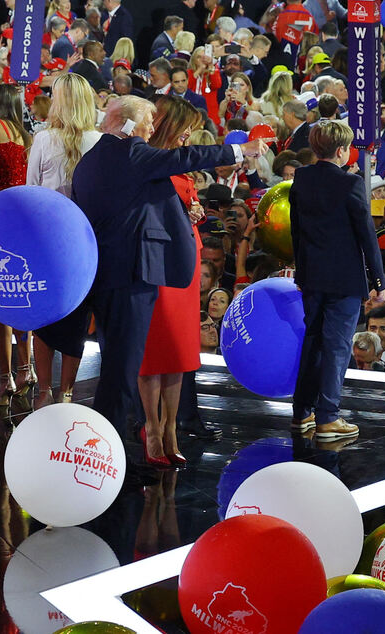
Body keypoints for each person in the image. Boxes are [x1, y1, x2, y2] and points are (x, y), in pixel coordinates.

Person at [71, 95, 266, 438]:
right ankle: (110, 453)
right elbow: (187, 156)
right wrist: (240, 150)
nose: (151, 130)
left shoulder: (90, 160)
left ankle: (105, 446)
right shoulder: (131, 152)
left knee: (116, 368)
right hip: (131, 277)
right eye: (147, 123)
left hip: (103, 274)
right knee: (122, 373)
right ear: (129, 125)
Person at [290, 121, 385, 439]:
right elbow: (366, 235)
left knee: (313, 342)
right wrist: (379, 280)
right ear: (342, 150)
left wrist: (301, 272)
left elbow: (296, 232)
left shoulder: (301, 178)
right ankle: (328, 417)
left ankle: (302, 411)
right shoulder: (350, 183)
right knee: (337, 346)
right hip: (344, 280)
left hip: (312, 277)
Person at [137, 96, 210, 467]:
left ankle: (171, 428)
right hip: (158, 265)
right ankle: (151, 428)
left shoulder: (180, 167)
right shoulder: (148, 161)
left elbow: (187, 209)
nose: (188, 137)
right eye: (185, 129)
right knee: (156, 352)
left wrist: (194, 212)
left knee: (180, 353)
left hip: (187, 262)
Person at [27, 73, 101, 410]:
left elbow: (31, 192)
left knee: (43, 318)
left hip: (46, 242)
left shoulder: (43, 139)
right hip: (85, 242)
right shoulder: (100, 140)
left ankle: (44, 391)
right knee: (75, 317)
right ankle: (66, 392)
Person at [0, 84, 33, 408]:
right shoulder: (24, 134)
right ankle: (27, 370)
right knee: (20, 297)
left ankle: (6, 379)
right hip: (22, 221)